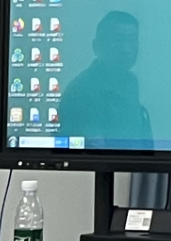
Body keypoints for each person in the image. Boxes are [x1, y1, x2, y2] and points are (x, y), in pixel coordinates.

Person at [58, 11, 152, 148]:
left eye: (132, 40)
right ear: (97, 46)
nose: (126, 49)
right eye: (118, 41)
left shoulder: (131, 82)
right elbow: (93, 149)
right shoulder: (82, 91)